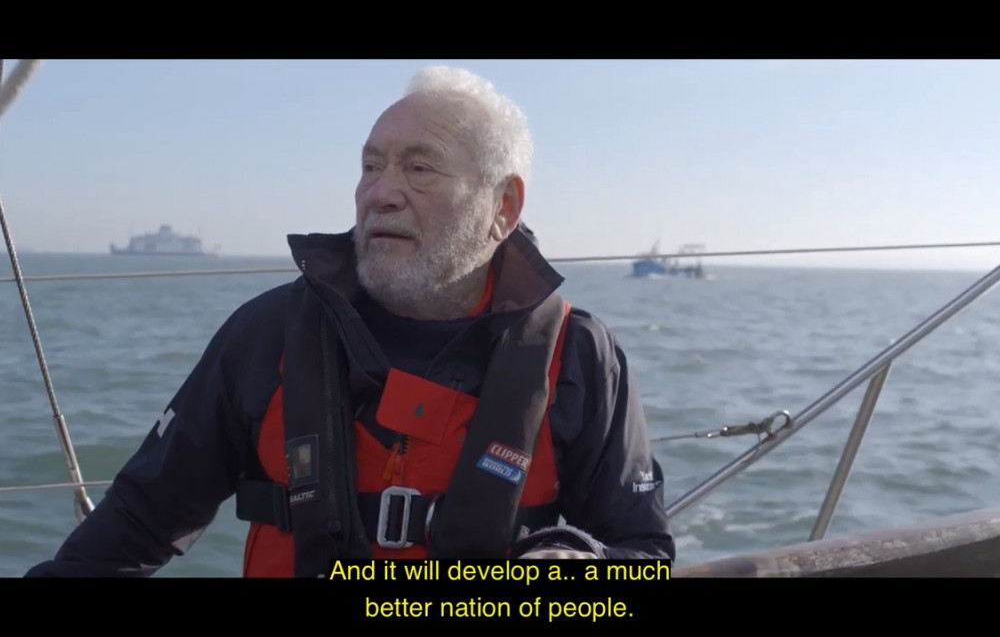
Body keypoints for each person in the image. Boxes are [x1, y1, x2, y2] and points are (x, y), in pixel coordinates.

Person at [24, 65, 675, 577]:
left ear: (502, 206)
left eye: (418, 167)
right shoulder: (269, 335)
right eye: (370, 165)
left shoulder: (579, 356)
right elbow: (140, 520)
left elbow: (641, 551)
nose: (380, 191)